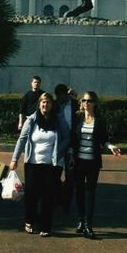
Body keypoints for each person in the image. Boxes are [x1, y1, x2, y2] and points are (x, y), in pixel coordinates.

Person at [9, 90, 72, 237]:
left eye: (48, 102)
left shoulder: (58, 119)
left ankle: (45, 226)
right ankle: (29, 220)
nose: (45, 105)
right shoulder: (31, 120)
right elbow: (22, 140)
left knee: (48, 196)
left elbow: (67, 138)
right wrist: (14, 159)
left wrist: (59, 152)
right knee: (31, 194)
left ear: (51, 105)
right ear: (39, 104)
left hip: (51, 164)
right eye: (43, 102)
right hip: (32, 163)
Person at [70, 90, 120, 240]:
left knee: (90, 193)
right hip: (78, 162)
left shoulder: (100, 121)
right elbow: (72, 139)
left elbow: (104, 139)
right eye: (84, 100)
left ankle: (88, 225)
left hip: (93, 162)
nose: (86, 103)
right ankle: (80, 220)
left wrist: (110, 146)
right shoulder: (77, 118)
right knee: (79, 192)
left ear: (94, 103)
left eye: (89, 101)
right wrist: (71, 155)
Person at [53, 83, 76, 211]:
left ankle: (66, 203)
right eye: (58, 97)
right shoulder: (54, 105)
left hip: (71, 145)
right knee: (54, 174)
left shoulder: (76, 105)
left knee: (70, 176)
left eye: (62, 96)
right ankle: (58, 198)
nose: (60, 99)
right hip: (57, 144)